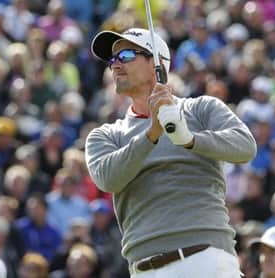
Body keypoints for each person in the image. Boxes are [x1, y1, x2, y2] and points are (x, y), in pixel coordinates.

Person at [86, 28, 256, 276]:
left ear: (156, 64)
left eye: (125, 56)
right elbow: (108, 179)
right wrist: (152, 133)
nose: (115, 66)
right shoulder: (106, 134)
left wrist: (188, 139)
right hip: (145, 268)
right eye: (112, 60)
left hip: (205, 259)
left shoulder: (200, 108)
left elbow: (245, 146)